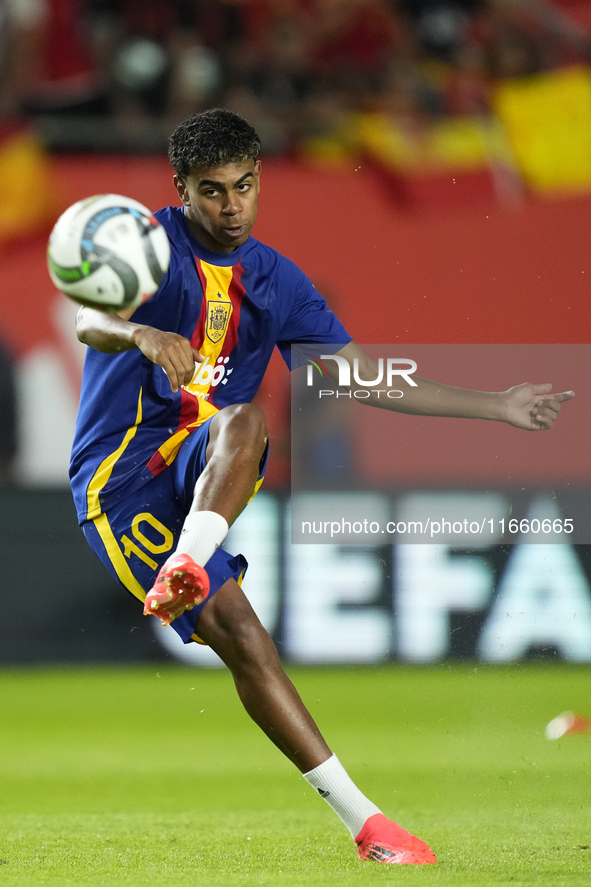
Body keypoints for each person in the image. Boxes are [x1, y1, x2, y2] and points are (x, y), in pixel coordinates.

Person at [71, 107, 573, 866]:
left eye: (244, 185)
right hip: (122, 478)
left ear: (259, 178)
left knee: (244, 418)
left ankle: (369, 829)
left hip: (203, 464)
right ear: (180, 190)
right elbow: (88, 315)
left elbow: (356, 377)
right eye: (212, 191)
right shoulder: (144, 245)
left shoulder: (275, 280)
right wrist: (140, 331)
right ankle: (364, 817)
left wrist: (494, 404)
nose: (231, 205)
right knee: (244, 636)